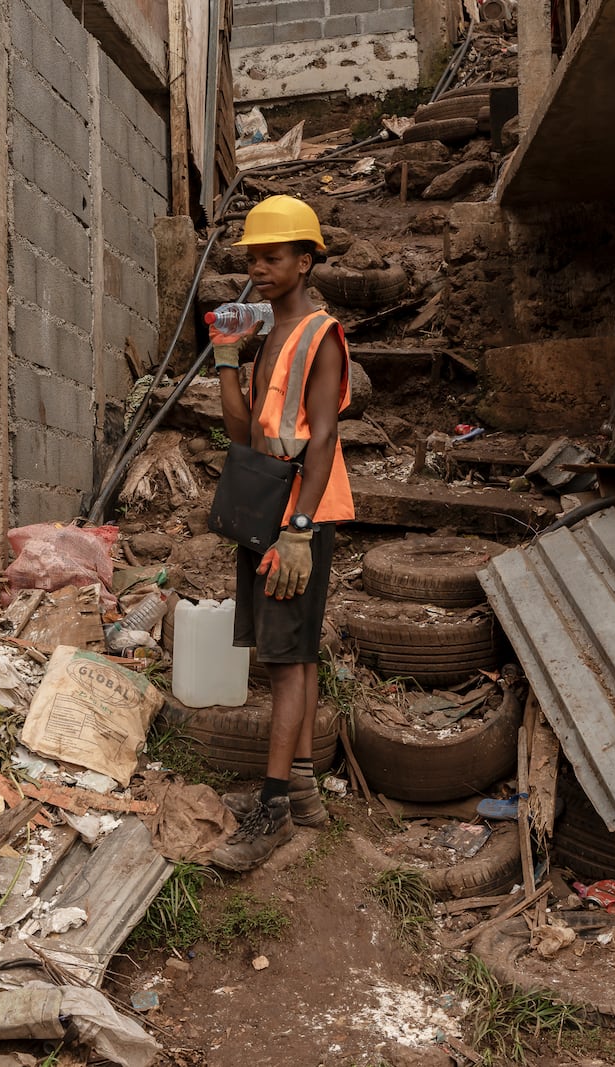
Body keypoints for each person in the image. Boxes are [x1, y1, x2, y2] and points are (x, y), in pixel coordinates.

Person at [206, 195, 355, 872]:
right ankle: (299, 789)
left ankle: (271, 807)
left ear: (306, 259)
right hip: (269, 504)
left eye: (273, 256)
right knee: (287, 653)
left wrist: (298, 531)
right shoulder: (269, 336)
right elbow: (242, 431)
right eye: (251, 258)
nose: (258, 268)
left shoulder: (321, 334)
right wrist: (228, 359)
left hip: (301, 513)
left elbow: (323, 437)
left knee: (287, 659)